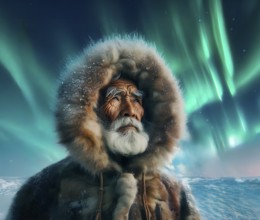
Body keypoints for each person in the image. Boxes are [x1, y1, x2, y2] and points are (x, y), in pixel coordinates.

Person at [6, 36, 200, 220]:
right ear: (91, 110)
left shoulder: (175, 192)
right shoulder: (43, 189)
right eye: (116, 98)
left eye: (136, 99)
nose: (130, 111)